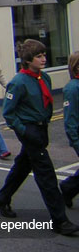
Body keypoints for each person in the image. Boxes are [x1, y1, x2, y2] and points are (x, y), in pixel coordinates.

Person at [0, 39, 78, 236]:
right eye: (39, 56)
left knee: (23, 165)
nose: (43, 59)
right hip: (30, 130)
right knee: (46, 175)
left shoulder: (44, 78)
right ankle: (60, 220)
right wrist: (24, 130)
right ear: (28, 60)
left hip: (41, 129)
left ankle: (2, 198)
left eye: (44, 55)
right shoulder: (18, 82)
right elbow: (9, 113)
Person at [61, 51, 79, 209]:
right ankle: (68, 188)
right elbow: (70, 120)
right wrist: (75, 141)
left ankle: (68, 188)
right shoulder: (72, 89)